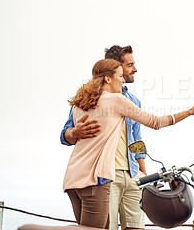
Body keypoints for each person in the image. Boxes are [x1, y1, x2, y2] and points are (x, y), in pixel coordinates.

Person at [63, 58, 194, 228]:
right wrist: (190, 111)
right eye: (120, 76)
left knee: (85, 227)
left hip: (74, 177)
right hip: (96, 178)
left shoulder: (79, 103)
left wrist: (142, 170)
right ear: (108, 78)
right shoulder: (117, 100)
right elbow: (155, 122)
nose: (123, 80)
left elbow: (136, 137)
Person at [61, 45, 148, 230]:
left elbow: (137, 139)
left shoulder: (134, 101)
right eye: (130, 64)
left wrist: (144, 176)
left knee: (137, 227)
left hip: (133, 175)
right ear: (115, 68)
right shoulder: (88, 99)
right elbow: (65, 134)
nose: (135, 69)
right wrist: (74, 133)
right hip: (105, 175)